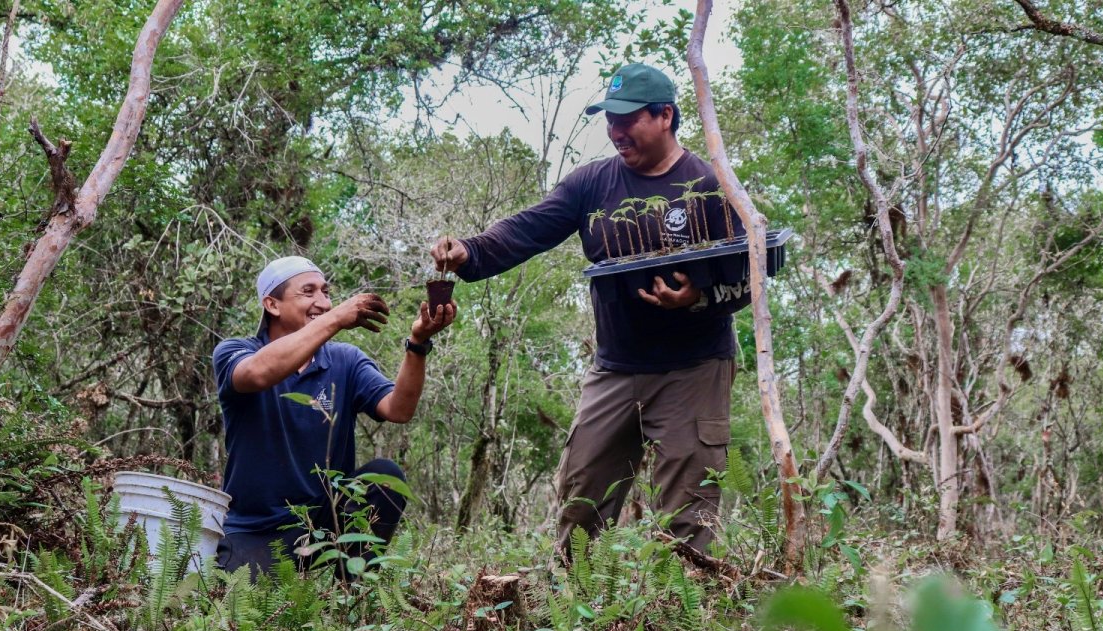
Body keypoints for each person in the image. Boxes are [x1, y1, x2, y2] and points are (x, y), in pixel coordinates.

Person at [430, 63, 750, 556]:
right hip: (616, 368)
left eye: (628, 119)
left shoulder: (710, 186)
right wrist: (469, 251)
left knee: (688, 511)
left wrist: (698, 298)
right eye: (610, 119)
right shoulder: (592, 184)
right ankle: (578, 614)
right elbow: (527, 230)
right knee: (581, 500)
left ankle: (684, 619)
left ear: (665, 115)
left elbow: (748, 281)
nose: (616, 131)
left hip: (695, 368)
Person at [213, 256, 455, 578]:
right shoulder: (235, 352)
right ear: (272, 304)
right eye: (308, 291)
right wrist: (337, 319)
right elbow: (257, 374)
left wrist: (419, 343)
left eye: (326, 292)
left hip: (327, 523)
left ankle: (348, 594)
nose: (324, 302)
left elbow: (398, 409)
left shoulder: (345, 360)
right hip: (256, 529)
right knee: (235, 597)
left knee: (386, 476)